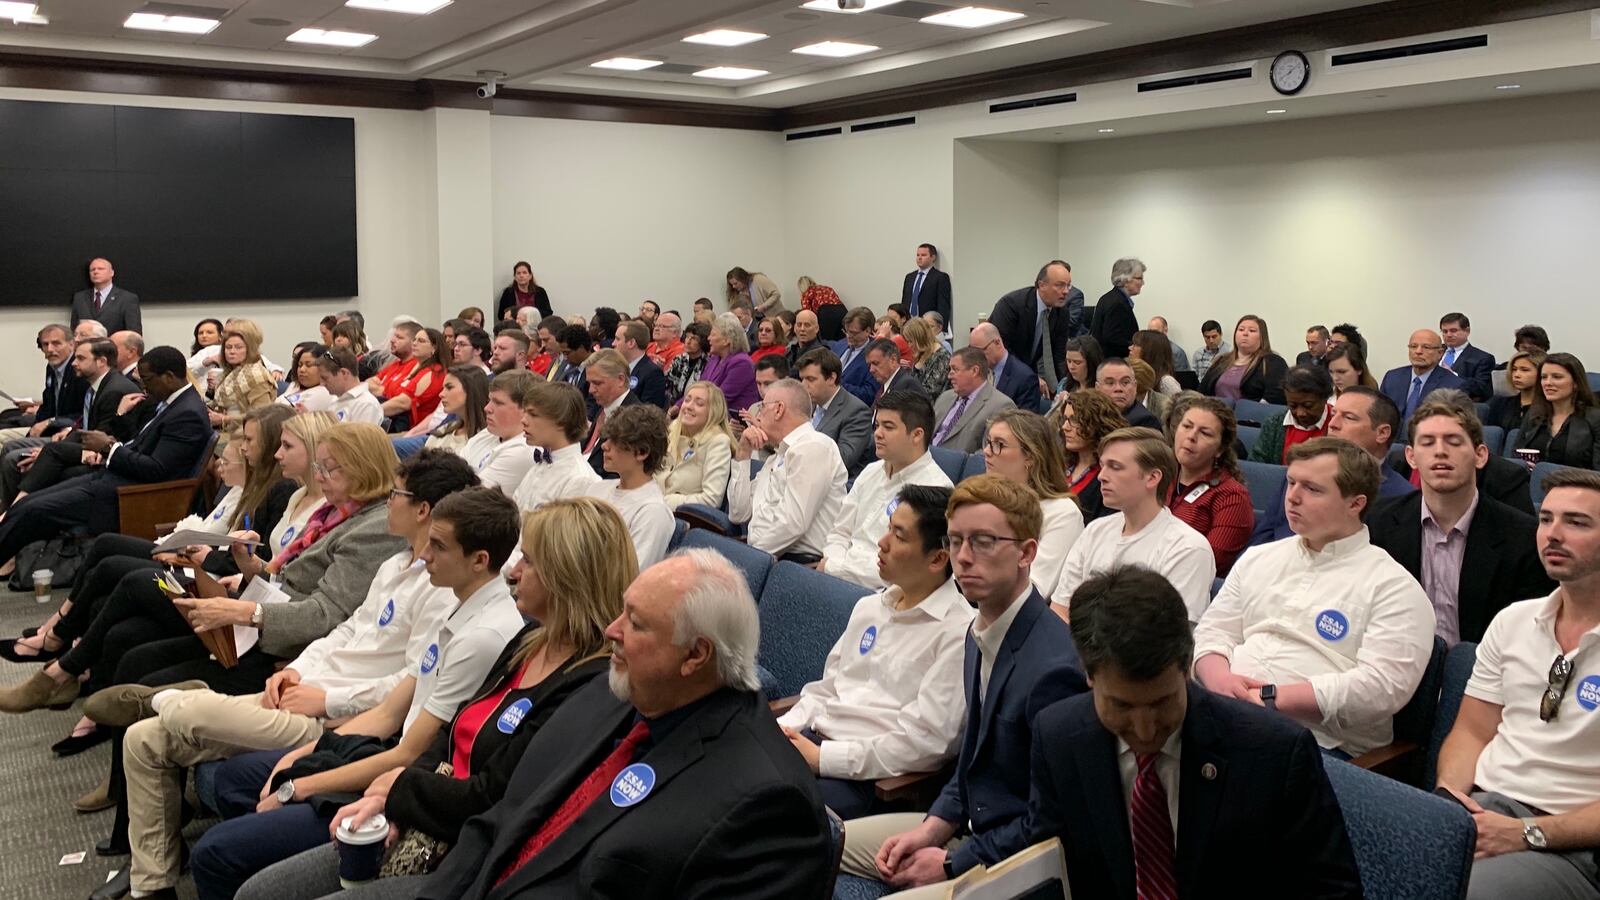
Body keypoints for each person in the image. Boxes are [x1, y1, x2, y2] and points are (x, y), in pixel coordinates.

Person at [114, 449, 480, 899]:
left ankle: (167, 699)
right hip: (304, 684)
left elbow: (405, 685)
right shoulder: (394, 564)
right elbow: (347, 629)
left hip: (333, 713)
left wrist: (325, 701)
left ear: (422, 509)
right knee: (142, 741)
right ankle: (151, 887)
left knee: (181, 715)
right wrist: (297, 670)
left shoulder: (441, 585)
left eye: (396, 494)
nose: (388, 501)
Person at [231, 496, 634, 900]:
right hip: (422, 805)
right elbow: (449, 732)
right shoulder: (531, 640)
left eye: (528, 561)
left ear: (567, 577)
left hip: (463, 852)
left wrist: (400, 793)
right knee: (257, 888)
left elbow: (496, 795)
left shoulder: (588, 685)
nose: (512, 571)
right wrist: (392, 799)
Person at [181, 486, 524, 899]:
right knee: (235, 779)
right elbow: (391, 709)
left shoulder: (482, 635)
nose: (425, 555)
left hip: (403, 773)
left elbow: (409, 753)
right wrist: (304, 755)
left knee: (215, 852)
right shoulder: (457, 603)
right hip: (382, 745)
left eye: (438, 545)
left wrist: (300, 785)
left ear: (479, 561)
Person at [1025, 566, 1363, 898]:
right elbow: (1053, 878)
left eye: (1161, 702)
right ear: (1088, 676)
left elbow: (1333, 892)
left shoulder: (1274, 753)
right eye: (1123, 706)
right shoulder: (1057, 740)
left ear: (1187, 668)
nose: (1145, 731)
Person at [841, 475, 1087, 896]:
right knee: (817, 839)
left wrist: (954, 862)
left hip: (1016, 860)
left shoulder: (1053, 669)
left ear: (1027, 552)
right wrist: (930, 830)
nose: (964, 557)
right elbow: (970, 762)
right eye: (955, 541)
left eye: (984, 542)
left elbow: (1049, 820)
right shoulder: (979, 632)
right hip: (968, 827)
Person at [1195, 438, 1436, 758]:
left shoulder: (1393, 588)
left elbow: (1379, 689)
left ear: (1356, 503)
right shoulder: (1259, 558)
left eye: (1312, 489)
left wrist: (1269, 698)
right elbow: (1214, 631)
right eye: (1291, 482)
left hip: (1319, 741)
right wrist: (1220, 680)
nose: (1292, 497)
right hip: (1222, 707)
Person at [1434, 468, 1600, 900]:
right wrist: (1452, 803)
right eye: (1546, 519)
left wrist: (1526, 833)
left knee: (1448, 890)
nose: (1552, 534)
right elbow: (1472, 730)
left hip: (1574, 841)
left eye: (1577, 522)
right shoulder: (1513, 620)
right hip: (1488, 808)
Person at [781, 484, 971, 818]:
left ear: (938, 558)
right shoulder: (869, 607)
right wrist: (784, 728)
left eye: (899, 535)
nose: (881, 543)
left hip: (866, 779)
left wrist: (823, 760)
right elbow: (826, 689)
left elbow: (926, 743)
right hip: (811, 742)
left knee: (756, 813)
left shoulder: (957, 632)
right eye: (888, 529)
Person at [0, 347, 210, 575]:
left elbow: (156, 469)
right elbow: (139, 442)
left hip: (132, 495)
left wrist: (109, 447)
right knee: (25, 504)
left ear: (169, 377)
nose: (144, 387)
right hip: (116, 479)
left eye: (147, 380)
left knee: (33, 510)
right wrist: (117, 432)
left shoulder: (187, 414)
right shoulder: (170, 403)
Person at [1367, 400, 1553, 645]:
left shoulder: (1523, 538)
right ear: (1411, 457)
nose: (1440, 451)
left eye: (1454, 442)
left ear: (1480, 455)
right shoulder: (1378, 523)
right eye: (1427, 442)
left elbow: (1527, 636)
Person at [1052, 427, 1216, 621]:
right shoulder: (1095, 530)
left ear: (1152, 478)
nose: (1101, 476)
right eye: (1102, 465)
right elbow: (1060, 608)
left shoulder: (1188, 549)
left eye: (1115, 467)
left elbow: (1170, 638)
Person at [1251, 386, 1416, 545]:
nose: (1333, 424)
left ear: (1382, 433)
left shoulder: (1402, 499)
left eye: (1349, 417)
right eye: (1334, 414)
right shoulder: (1299, 475)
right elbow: (1262, 538)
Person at [820, 391, 952, 588]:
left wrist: (834, 567)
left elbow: (908, 568)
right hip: (836, 574)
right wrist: (834, 564)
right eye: (877, 425)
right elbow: (840, 532)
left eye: (888, 427)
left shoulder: (936, 489)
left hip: (880, 593)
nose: (878, 433)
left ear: (916, 435)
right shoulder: (871, 471)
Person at [727, 378, 847, 563]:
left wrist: (750, 556)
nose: (757, 417)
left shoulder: (814, 446)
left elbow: (793, 523)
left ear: (778, 409)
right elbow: (738, 513)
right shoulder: (775, 459)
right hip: (766, 556)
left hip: (799, 564)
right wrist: (743, 454)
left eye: (762, 408)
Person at [982, 410, 1084, 594]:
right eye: (988, 442)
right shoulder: (983, 499)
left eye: (999, 445)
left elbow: (1036, 587)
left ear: (1030, 456)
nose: (987, 451)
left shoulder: (1062, 513)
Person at [1169, 396, 1255, 576]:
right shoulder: (1158, 475)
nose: (1191, 436)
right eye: (1187, 426)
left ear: (1220, 450)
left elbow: (1208, 563)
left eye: (1205, 433)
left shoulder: (1231, 497)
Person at [585, 404, 675, 568]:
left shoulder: (653, 512)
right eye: (607, 439)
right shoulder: (597, 489)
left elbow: (630, 576)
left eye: (616, 441)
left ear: (641, 452)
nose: (604, 446)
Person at [511, 381, 601, 529]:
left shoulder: (580, 479)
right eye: (525, 412)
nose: (523, 420)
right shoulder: (539, 465)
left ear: (561, 422)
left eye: (533, 414)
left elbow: (559, 544)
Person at [989, 260, 1078, 391]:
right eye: (1059, 285)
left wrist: (1066, 386)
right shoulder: (1011, 305)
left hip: (1027, 370)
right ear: (1041, 285)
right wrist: (1029, 376)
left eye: (1068, 286)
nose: (1065, 291)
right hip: (996, 371)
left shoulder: (1061, 312)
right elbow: (1002, 350)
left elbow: (1058, 355)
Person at [1514, 352, 1600, 470]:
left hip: (1578, 485)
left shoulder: (1595, 419)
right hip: (1533, 483)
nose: (1548, 383)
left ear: (1576, 383)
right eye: (1544, 377)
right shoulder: (1534, 415)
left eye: (1557, 377)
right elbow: (1515, 457)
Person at [797, 347, 874, 478]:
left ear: (832, 378)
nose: (803, 386)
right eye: (802, 379)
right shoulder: (806, 405)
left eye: (811, 379)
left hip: (834, 487)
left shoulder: (856, 411)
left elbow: (843, 459)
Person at [656, 381, 735, 509]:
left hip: (681, 518)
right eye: (687, 400)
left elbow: (711, 499)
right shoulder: (671, 432)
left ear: (713, 411)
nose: (689, 406)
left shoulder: (718, 442)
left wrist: (664, 502)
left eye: (699, 404)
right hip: (653, 506)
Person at [457, 370, 535, 495]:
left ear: (526, 410)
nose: (487, 408)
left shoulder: (523, 451)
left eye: (498, 403)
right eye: (489, 400)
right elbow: (451, 472)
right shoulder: (489, 433)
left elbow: (471, 498)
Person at [1055, 389, 1126, 523]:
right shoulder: (1060, 465)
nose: (1065, 427)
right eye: (1065, 419)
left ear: (1097, 424)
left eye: (1074, 420)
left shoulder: (1110, 476)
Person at [930, 347, 1014, 454]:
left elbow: (988, 452)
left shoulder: (1001, 406)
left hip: (957, 467)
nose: (949, 375)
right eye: (950, 369)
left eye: (955, 369)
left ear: (974, 371)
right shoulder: (945, 397)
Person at [1249, 364, 1334, 465]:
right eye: (1293, 406)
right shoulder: (1274, 423)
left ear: (1324, 398)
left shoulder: (1337, 422)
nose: (1300, 413)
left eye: (1308, 405)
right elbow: (1257, 464)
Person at [580, 349, 644, 476]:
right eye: (589, 383)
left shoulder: (635, 420)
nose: (591, 390)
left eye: (597, 383)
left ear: (620, 380)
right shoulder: (605, 407)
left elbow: (620, 473)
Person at [210, 320, 278, 440]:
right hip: (223, 431)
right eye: (228, 347)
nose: (232, 351)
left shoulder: (257, 376)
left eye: (238, 347)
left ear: (249, 349)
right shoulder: (230, 372)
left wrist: (224, 419)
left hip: (244, 436)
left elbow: (261, 416)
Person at [1200, 315, 1288, 404]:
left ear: (1262, 337)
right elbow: (1202, 391)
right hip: (1215, 413)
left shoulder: (1273, 362)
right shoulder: (1222, 360)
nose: (1245, 333)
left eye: (1252, 331)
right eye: (1241, 330)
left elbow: (1276, 397)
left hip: (1250, 415)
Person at [1382, 328, 1467, 420]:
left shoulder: (1453, 385)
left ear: (1440, 353)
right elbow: (1380, 412)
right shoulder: (1392, 377)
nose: (1418, 351)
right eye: (1413, 346)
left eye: (1426, 347)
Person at [379, 327, 447, 432]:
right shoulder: (420, 367)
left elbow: (402, 403)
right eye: (414, 340)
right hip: (400, 421)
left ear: (434, 348)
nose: (414, 343)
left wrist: (372, 411)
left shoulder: (434, 372)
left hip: (415, 429)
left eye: (421, 341)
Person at [969, 321, 1040, 413]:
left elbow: (1026, 423)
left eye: (980, 351)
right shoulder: (976, 372)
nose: (976, 357)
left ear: (997, 343)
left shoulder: (1025, 379)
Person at [699, 313, 760, 413]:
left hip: (732, 422)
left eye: (713, 334)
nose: (708, 338)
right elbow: (699, 387)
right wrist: (678, 407)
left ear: (726, 340)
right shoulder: (714, 359)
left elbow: (720, 399)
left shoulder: (741, 363)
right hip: (709, 412)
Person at [1089, 257, 1144, 360]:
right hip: (1114, 364)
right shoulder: (1117, 303)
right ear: (1125, 279)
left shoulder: (1110, 298)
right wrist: (1136, 348)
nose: (1142, 283)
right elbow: (1113, 339)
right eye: (1139, 278)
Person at [71, 257, 142, 334]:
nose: (95, 272)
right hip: (86, 345)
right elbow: (74, 329)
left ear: (112, 273)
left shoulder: (127, 299)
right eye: (92, 270)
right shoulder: (79, 298)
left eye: (100, 269)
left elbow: (134, 334)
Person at [1439, 312, 1496, 401]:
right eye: (1445, 331)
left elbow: (1482, 389)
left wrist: (1453, 376)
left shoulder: (1483, 358)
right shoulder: (1434, 351)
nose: (1448, 335)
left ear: (1467, 331)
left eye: (1453, 330)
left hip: (1458, 404)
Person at [612, 320, 669, 408]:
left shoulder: (652, 373)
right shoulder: (615, 368)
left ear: (631, 343)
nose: (613, 343)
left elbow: (648, 413)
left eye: (617, 339)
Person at [832, 306, 881, 407]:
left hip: (850, 411)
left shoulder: (876, 356)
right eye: (846, 331)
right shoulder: (839, 345)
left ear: (867, 331)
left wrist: (835, 384)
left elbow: (869, 394)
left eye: (853, 333)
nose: (848, 336)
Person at [1095, 358, 1162, 429]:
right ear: (1097, 388)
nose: (1118, 389)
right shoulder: (1090, 415)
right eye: (1110, 383)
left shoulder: (1145, 421)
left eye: (1125, 382)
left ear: (1135, 386)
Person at [1487, 350, 1543, 433]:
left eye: (1524, 370)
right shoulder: (1499, 404)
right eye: (1514, 369)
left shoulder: (1548, 407)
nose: (1516, 375)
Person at [902, 242, 953, 327]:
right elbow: (905, 301)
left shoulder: (940, 277)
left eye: (923, 255)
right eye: (918, 255)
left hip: (928, 325)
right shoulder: (910, 277)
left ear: (933, 257)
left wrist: (941, 328)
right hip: (909, 324)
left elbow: (943, 306)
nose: (919, 258)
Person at [902, 317, 951, 397]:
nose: (909, 345)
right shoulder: (920, 354)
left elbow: (931, 391)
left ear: (920, 338)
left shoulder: (942, 357)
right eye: (908, 342)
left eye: (911, 341)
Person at [277, 343, 332, 413]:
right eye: (300, 365)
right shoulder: (294, 385)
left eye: (308, 365)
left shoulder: (324, 393)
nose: (302, 369)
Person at [1128, 330, 1180, 396]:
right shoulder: (1132, 374)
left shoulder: (1166, 382)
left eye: (1135, 345)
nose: (1130, 348)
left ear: (1148, 351)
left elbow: (1181, 405)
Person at [784, 308, 825, 372]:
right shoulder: (790, 351)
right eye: (799, 325)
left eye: (807, 325)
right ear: (794, 328)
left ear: (816, 328)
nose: (802, 329)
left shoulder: (820, 354)